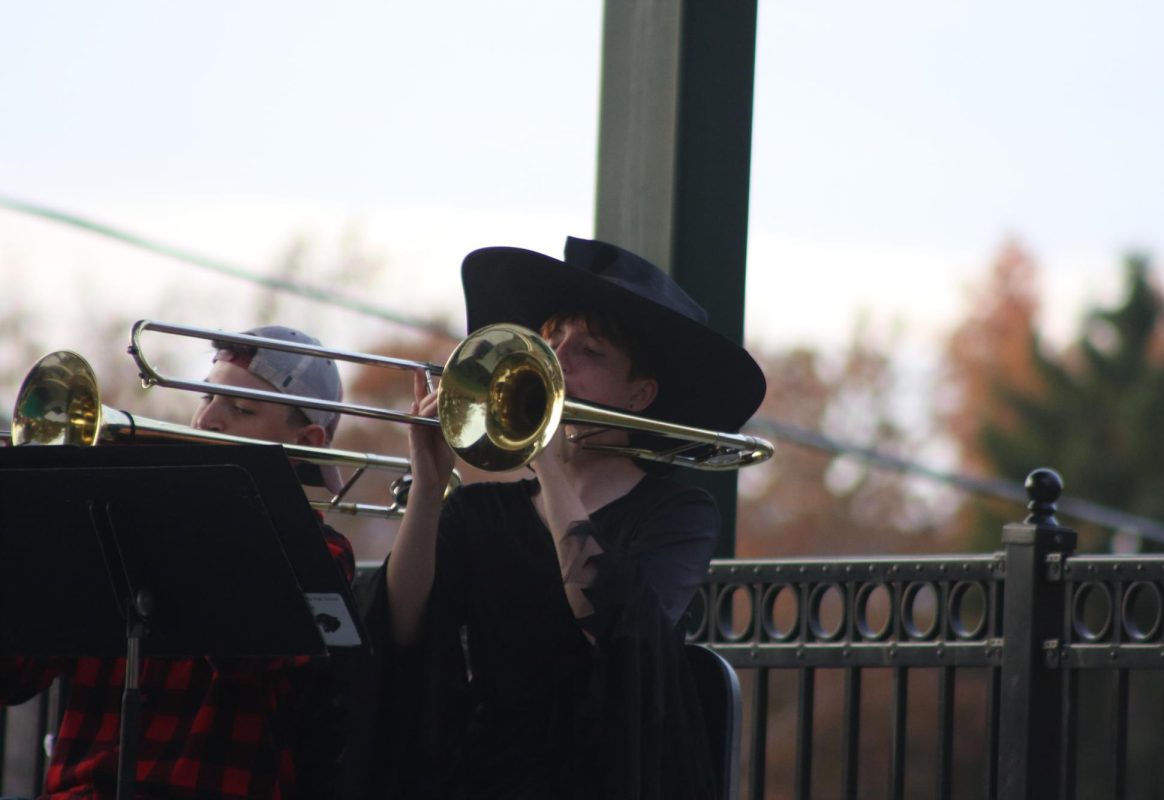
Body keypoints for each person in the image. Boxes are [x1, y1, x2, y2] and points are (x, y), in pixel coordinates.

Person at [353, 237, 766, 799]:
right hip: (485, 773)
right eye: (550, 341)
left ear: (639, 394)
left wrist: (546, 458)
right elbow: (402, 627)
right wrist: (428, 488)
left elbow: (612, 632)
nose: (556, 361)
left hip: (607, 776)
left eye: (589, 351)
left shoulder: (678, 515)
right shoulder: (480, 511)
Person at [0, 325, 355, 799]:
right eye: (205, 400)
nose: (207, 421)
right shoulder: (113, 521)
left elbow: (242, 648)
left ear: (305, 442)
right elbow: (16, 674)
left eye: (242, 409)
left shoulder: (322, 550)